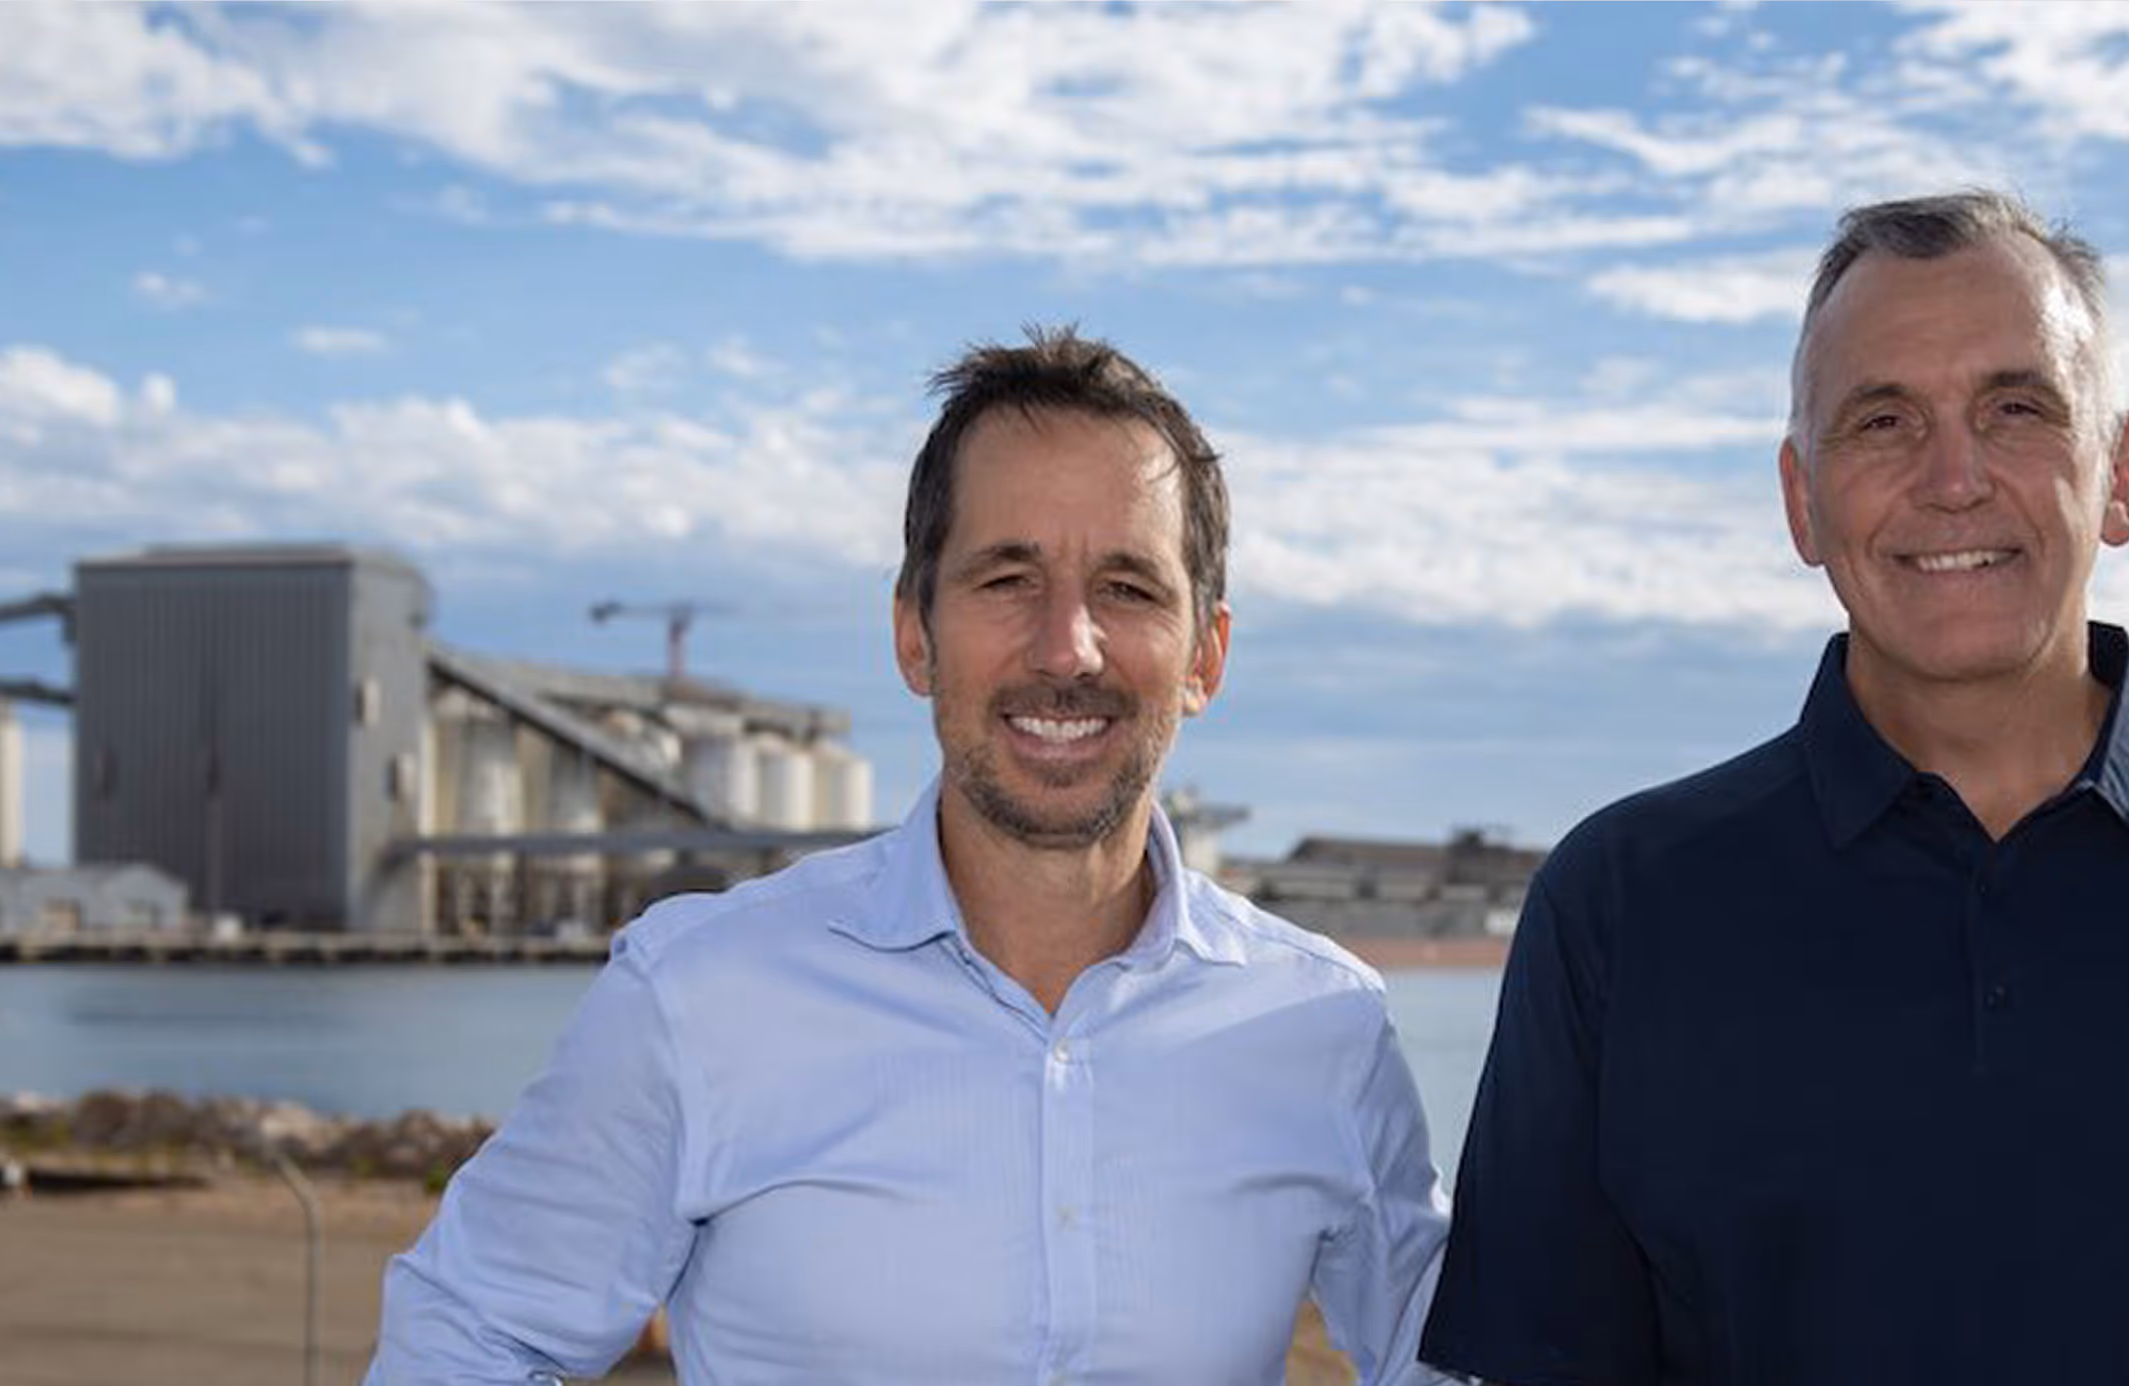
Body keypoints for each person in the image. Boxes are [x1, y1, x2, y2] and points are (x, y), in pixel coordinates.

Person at [370, 328, 1453, 1384]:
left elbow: (1444, 1360)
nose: (1067, 647)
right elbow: (463, 1339)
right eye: (1007, 578)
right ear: (913, 635)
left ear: (1204, 656)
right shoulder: (698, 997)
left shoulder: (1323, 1028)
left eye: (1127, 588)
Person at [1421, 189, 2129, 1385]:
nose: (1954, 478)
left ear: (2123, 474)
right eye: (1882, 421)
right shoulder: (1623, 904)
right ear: (1801, 500)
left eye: (2017, 409)